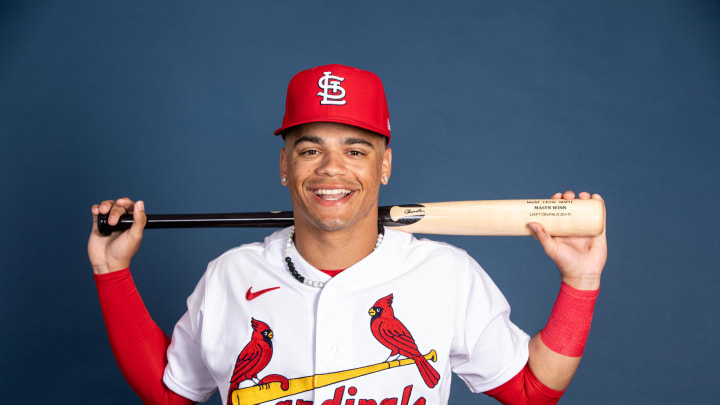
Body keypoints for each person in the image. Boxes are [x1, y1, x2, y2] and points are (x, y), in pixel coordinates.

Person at [88, 64, 607, 405]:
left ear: (384, 167)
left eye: (356, 150)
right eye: (310, 149)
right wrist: (111, 273)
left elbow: (531, 391)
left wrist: (580, 281)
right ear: (285, 166)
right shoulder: (230, 275)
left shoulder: (445, 274)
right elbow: (169, 394)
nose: (331, 168)